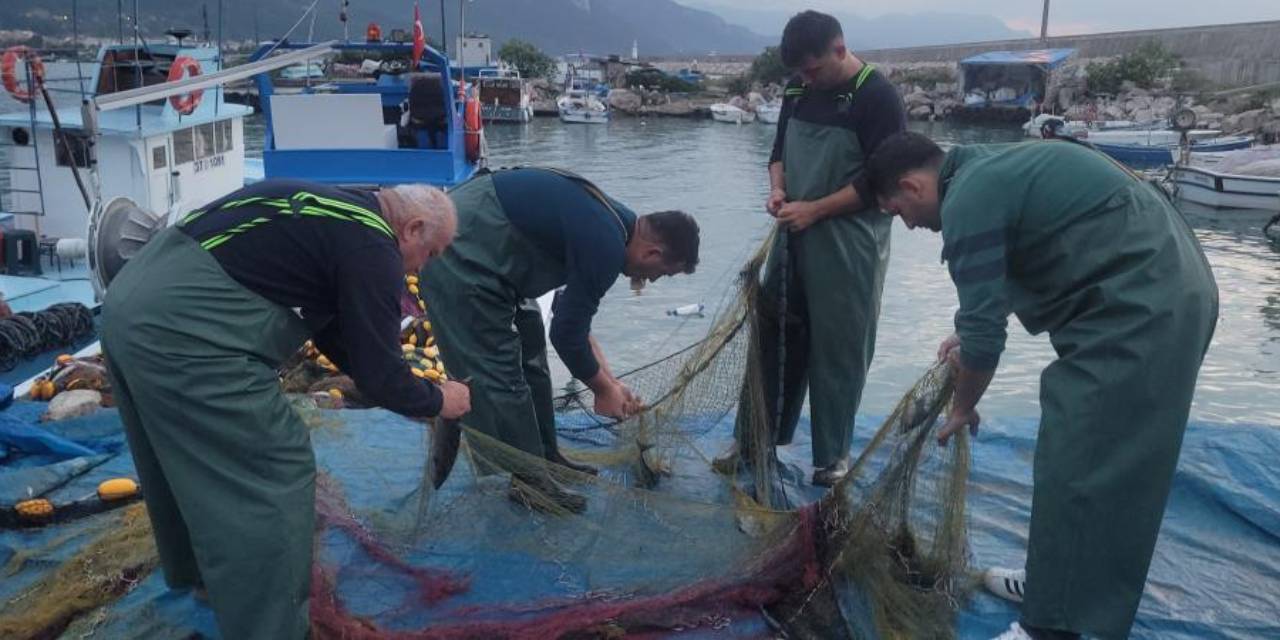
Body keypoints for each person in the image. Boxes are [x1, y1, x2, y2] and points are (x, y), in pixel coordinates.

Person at [867, 132, 1218, 640]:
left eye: (896, 210)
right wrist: (966, 331)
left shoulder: (967, 199)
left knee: (1079, 464)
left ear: (911, 185)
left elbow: (987, 341)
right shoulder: (981, 167)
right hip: (1160, 288)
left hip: (1139, 307)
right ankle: (1056, 585)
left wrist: (962, 407)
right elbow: (1024, 257)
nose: (908, 223)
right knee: (1090, 462)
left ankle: (1046, 628)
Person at [100, 179, 470, 640]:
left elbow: (336, 335)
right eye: (431, 254)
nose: (425, 266)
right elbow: (379, 373)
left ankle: (205, 580)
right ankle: (269, 626)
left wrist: (404, 394)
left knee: (179, 456)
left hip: (126, 303)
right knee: (275, 466)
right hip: (183, 332)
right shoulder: (374, 248)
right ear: (413, 228)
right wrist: (439, 399)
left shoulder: (341, 207)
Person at [420, 167, 699, 512]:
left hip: (496, 256)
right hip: (459, 251)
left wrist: (610, 382)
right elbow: (566, 335)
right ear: (653, 254)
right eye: (663, 274)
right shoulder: (607, 243)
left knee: (531, 345)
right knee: (500, 372)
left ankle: (546, 456)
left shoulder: (620, 226)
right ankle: (529, 482)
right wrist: (601, 390)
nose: (654, 281)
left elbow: (576, 320)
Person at [717, 10, 906, 486]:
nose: (806, 79)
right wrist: (778, 191)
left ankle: (832, 458)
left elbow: (881, 181)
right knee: (773, 335)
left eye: (814, 69)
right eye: (799, 72)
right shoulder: (799, 91)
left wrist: (817, 210)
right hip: (793, 233)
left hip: (850, 244)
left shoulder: (877, 96)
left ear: (839, 50)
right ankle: (753, 438)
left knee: (839, 347)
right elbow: (778, 152)